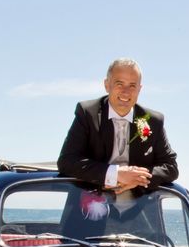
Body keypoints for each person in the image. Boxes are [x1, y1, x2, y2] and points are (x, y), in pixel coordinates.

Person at [57, 58, 178, 193]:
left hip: (140, 207)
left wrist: (137, 178)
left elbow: (171, 168)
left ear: (139, 89)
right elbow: (67, 162)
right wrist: (116, 174)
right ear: (107, 85)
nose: (126, 92)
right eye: (119, 84)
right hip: (88, 206)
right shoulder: (87, 113)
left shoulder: (153, 121)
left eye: (132, 85)